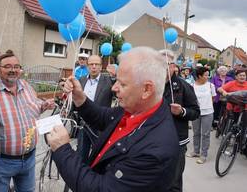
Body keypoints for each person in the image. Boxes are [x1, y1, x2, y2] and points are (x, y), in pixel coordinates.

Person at [46, 47, 179, 192]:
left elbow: (101, 189)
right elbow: (103, 117)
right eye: (116, 81)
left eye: (122, 84)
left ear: (147, 90)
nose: (114, 88)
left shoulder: (155, 152)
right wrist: (80, 98)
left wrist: (62, 150)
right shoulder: (137, 109)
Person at [0, 51, 55, 192]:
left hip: (28, 159)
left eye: (16, 66)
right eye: (7, 66)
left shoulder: (26, 86)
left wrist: (44, 105)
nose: (13, 70)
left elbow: (35, 108)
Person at [160, 50, 200, 192]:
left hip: (177, 140)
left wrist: (182, 111)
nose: (164, 67)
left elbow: (195, 112)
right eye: (160, 63)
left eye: (168, 64)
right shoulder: (150, 85)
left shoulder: (183, 86)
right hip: (153, 140)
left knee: (174, 181)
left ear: (174, 67)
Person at [77, 55, 116, 162]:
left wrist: (114, 78)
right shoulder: (81, 80)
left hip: (100, 126)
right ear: (87, 65)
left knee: (99, 156)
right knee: (81, 155)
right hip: (83, 125)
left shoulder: (108, 81)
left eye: (97, 64)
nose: (93, 67)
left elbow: (117, 94)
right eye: (91, 64)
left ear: (100, 66)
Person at [188, 67, 216, 164]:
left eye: (208, 75)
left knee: (206, 134)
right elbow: (190, 99)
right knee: (196, 132)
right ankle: (196, 151)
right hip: (196, 112)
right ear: (199, 76)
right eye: (205, 75)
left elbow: (213, 98)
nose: (207, 77)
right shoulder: (192, 86)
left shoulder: (210, 85)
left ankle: (204, 155)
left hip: (208, 112)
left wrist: (207, 106)